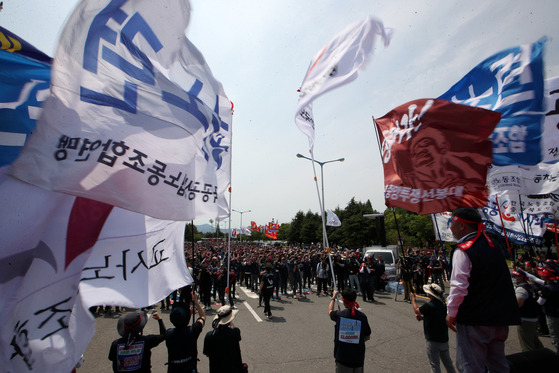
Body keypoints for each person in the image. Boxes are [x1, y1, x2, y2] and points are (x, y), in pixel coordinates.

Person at [446, 207, 520, 372]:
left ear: (462, 226)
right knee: (498, 366)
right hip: (500, 319)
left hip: (475, 319)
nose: (450, 228)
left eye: (452, 224)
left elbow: (458, 286)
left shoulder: (464, 250)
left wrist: (451, 313)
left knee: (470, 367)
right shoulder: (493, 245)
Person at [411, 284, 456, 373]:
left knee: (434, 365)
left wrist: (413, 299)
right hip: (444, 339)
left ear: (431, 294)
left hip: (433, 340)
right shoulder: (443, 305)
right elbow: (438, 317)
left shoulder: (428, 305)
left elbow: (417, 310)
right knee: (448, 364)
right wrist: (424, 318)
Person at [328, 288, 371, 373]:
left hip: (342, 358)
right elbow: (367, 336)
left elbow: (330, 311)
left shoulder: (340, 315)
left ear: (343, 301)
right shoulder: (362, 317)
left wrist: (333, 297)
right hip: (358, 357)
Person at [164, 292, 206, 373]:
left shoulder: (168, 333)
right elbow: (202, 317)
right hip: (190, 368)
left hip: (174, 369)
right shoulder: (193, 331)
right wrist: (196, 302)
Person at [203, 305, 245, 373]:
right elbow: (235, 332)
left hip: (216, 369)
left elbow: (206, 352)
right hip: (233, 368)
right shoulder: (235, 332)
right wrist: (230, 322)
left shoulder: (210, 335)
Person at [511, 270, 544, 352]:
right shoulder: (530, 287)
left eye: (516, 276)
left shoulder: (521, 289)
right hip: (533, 317)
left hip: (525, 319)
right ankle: (544, 356)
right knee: (535, 341)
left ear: (522, 278)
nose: (513, 278)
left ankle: (531, 362)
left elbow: (519, 304)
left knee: (527, 344)